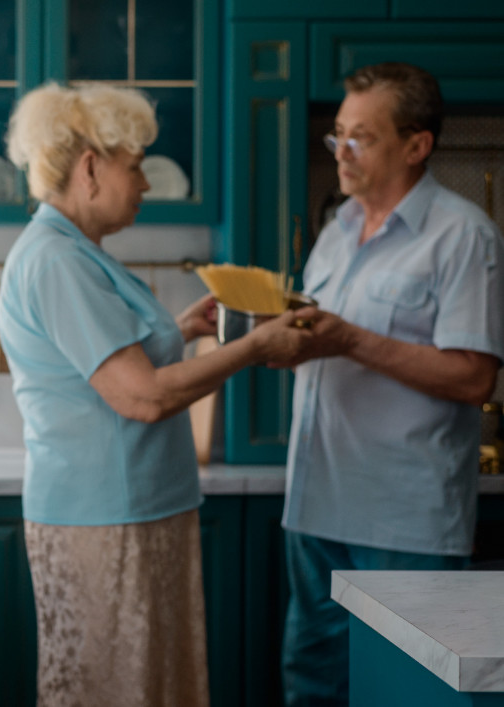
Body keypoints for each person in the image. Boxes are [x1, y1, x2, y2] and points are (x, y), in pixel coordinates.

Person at [0, 82, 311, 707]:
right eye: (135, 166)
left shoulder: (80, 254)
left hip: (133, 511)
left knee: (149, 687)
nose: (145, 184)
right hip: (107, 517)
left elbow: (123, 360)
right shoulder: (58, 260)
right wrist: (255, 346)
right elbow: (140, 398)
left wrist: (183, 329)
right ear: (89, 167)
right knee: (120, 690)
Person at [279, 62, 504, 706]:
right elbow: (328, 347)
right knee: (313, 687)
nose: (341, 152)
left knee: (407, 695)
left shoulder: (464, 237)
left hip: (403, 521)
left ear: (416, 145)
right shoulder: (336, 232)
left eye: (361, 137)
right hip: (316, 505)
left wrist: (348, 337)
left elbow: (473, 376)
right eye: (336, 137)